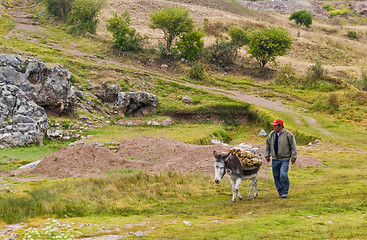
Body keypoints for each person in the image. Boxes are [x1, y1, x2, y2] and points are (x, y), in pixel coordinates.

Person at [265, 119, 297, 198]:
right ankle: (280, 191)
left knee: (283, 174)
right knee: (276, 176)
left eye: (276, 125)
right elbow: (267, 145)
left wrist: (293, 157)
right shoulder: (271, 135)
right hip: (275, 159)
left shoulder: (288, 134)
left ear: (280, 126)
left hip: (285, 159)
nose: (274, 127)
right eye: (274, 125)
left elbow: (293, 146)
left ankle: (285, 191)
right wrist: (267, 155)